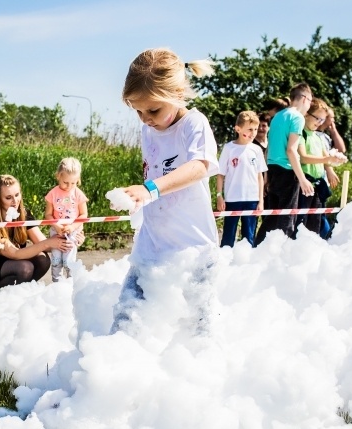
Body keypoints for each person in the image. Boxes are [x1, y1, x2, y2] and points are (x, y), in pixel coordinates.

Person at [113, 48, 219, 334]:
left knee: (195, 330)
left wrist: (150, 190)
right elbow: (155, 171)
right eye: (137, 111)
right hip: (152, 245)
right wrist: (138, 198)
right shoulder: (149, 129)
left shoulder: (194, 124)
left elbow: (200, 166)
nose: (144, 118)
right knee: (126, 319)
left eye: (153, 110)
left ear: (178, 95)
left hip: (194, 249)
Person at [0, 175, 71, 291]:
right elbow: (14, 254)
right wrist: (48, 243)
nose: (15, 201)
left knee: (43, 260)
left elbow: (44, 243)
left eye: (17, 195)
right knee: (25, 268)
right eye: (8, 197)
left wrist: (71, 238)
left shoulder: (24, 214)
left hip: (11, 264)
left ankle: (19, 294)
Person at [254, 83, 315, 246]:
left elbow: (269, 148)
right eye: (310, 100)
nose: (310, 105)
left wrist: (267, 176)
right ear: (303, 98)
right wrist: (302, 179)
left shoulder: (277, 117)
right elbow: (291, 150)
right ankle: (281, 254)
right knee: (287, 218)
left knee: (272, 217)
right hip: (287, 171)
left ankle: (257, 248)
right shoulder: (298, 118)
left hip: (272, 169)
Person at [216, 110, 266, 247]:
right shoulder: (229, 148)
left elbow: (260, 176)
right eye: (250, 129)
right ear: (238, 129)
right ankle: (225, 261)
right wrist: (219, 196)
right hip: (232, 198)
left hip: (252, 199)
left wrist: (261, 200)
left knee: (248, 236)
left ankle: (245, 263)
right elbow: (220, 174)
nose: (253, 132)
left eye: (255, 129)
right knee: (228, 235)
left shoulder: (256, 150)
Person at [296, 98, 343, 235]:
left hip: (318, 185)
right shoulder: (301, 133)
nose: (320, 123)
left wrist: (335, 160)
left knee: (316, 221)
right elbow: (303, 157)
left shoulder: (318, 137)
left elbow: (326, 158)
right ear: (306, 114)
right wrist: (327, 158)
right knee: (302, 221)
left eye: (322, 120)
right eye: (317, 118)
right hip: (305, 184)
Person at [44, 157, 88, 281]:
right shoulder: (52, 194)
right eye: (65, 182)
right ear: (58, 176)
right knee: (56, 260)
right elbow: (48, 214)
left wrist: (73, 227)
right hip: (56, 231)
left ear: (78, 180)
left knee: (69, 261)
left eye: (73, 183)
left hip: (73, 232)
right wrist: (57, 226)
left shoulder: (78, 194)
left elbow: (84, 214)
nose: (69, 186)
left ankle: (70, 285)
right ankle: (56, 284)